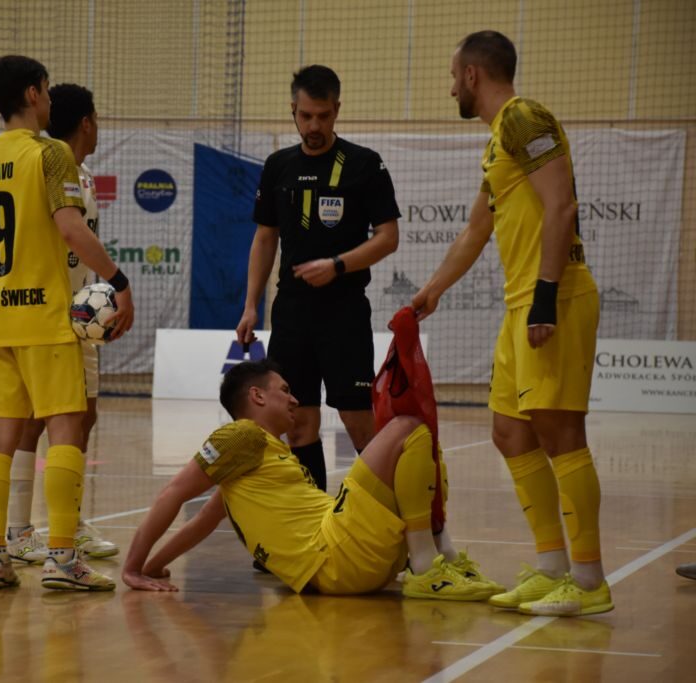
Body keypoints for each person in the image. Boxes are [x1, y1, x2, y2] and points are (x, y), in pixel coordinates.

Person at [411, 31, 611, 617]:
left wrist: (545, 297)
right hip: (518, 303)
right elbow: (477, 229)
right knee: (510, 432)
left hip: (555, 297)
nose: (451, 87)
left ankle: (589, 581)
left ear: (472, 74)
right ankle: (551, 567)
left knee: (560, 433)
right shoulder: (500, 139)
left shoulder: (524, 117)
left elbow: (562, 204)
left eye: (453, 76)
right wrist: (431, 291)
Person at [0, 55, 135, 591]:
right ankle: (63, 557)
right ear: (32, 94)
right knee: (68, 427)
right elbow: (71, 228)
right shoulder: (50, 154)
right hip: (47, 319)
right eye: (45, 90)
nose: (49, 99)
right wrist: (118, 281)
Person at [122, 359, 501, 600]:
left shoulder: (260, 463)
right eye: (285, 391)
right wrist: (133, 567)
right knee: (407, 428)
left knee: (425, 450)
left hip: (350, 568)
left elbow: (205, 520)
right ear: (256, 396)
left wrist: (154, 565)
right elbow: (174, 492)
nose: (293, 399)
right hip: (337, 554)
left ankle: (434, 558)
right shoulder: (241, 435)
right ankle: (427, 567)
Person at [236, 65, 400, 491]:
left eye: (323, 116)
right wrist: (251, 305)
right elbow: (265, 238)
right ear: (293, 109)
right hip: (291, 314)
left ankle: (394, 516)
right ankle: (315, 520)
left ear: (337, 110)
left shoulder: (364, 164)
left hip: (344, 313)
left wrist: (338, 265)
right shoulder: (278, 166)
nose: (314, 126)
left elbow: (388, 238)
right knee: (298, 424)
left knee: (359, 421)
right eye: (306, 115)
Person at [4, 82, 118, 564]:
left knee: (83, 418)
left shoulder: (82, 174)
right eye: (97, 118)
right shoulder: (46, 165)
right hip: (46, 315)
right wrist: (118, 282)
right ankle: (17, 530)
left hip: (80, 317)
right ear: (87, 122)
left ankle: (68, 524)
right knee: (34, 421)